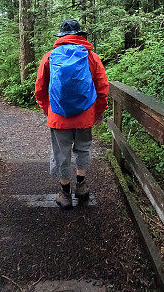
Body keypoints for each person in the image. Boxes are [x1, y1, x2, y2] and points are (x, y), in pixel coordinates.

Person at [34, 19, 109, 209]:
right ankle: (81, 187)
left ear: (61, 36)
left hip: (58, 116)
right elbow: (102, 88)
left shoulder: (49, 57)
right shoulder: (92, 57)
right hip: (85, 116)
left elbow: (40, 88)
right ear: (80, 35)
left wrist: (47, 109)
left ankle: (64, 194)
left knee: (61, 153)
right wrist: (98, 111)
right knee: (83, 149)